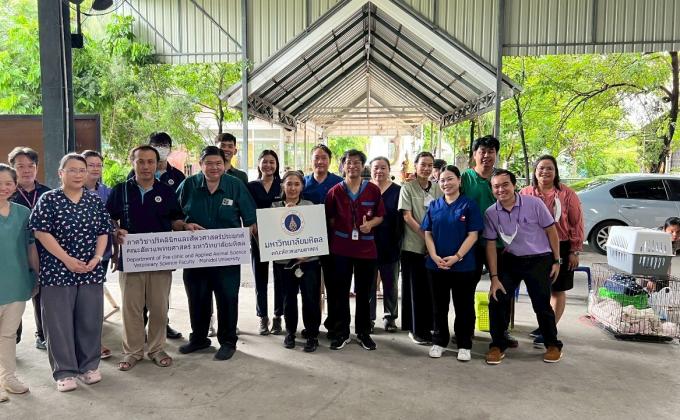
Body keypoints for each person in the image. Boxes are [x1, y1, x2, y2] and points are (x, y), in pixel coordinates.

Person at [29, 154, 113, 391]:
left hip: (90, 270)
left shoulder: (93, 200)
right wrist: (67, 260)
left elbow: (103, 231)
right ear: (61, 173)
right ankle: (64, 371)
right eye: (72, 170)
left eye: (82, 170)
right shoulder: (49, 199)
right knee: (58, 323)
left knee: (90, 319)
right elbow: (41, 232)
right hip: (57, 270)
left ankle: (88, 366)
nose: (78, 174)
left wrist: (97, 258)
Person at [107, 146, 186, 371]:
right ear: (132, 162)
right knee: (131, 308)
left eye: (150, 162)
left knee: (159, 307)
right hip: (131, 259)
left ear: (157, 164)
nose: (145, 166)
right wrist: (115, 231)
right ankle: (132, 351)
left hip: (161, 258)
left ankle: (156, 349)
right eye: (140, 161)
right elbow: (108, 219)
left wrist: (184, 226)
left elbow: (175, 220)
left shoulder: (167, 191)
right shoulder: (121, 190)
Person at [176, 146, 257, 361]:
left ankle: (228, 342)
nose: (214, 167)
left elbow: (250, 219)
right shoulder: (188, 185)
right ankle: (199, 339)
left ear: (225, 164)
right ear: (200, 165)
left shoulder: (235, 185)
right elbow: (172, 215)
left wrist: (250, 240)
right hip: (194, 255)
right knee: (197, 297)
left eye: (218, 163)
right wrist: (184, 225)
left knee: (227, 298)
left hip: (227, 257)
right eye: (209, 163)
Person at [483, 169, 564, 365]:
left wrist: (556, 260)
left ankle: (552, 344)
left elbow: (551, 231)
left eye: (505, 185)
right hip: (511, 261)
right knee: (497, 298)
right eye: (496, 186)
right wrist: (494, 277)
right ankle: (497, 345)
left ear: (514, 185)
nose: (501, 190)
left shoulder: (534, 203)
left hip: (539, 260)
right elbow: (491, 245)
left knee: (541, 303)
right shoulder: (491, 213)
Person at [520, 155, 584, 347]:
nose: (545, 172)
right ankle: (544, 325)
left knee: (558, 289)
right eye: (541, 168)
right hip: (535, 247)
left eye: (550, 168)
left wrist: (574, 250)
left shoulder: (567, 194)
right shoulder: (525, 193)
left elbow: (576, 222)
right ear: (535, 171)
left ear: (556, 172)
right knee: (540, 290)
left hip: (562, 246)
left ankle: (550, 329)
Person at [460, 135, 518, 348]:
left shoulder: (501, 179)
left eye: (491, 151)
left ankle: (501, 332)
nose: (486, 155)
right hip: (471, 244)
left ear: (496, 154)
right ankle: (465, 330)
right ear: (474, 154)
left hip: (500, 244)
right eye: (482, 151)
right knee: (466, 289)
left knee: (501, 288)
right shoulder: (465, 178)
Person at [126, 132, 185, 340]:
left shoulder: (178, 177)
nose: (146, 166)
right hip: (136, 248)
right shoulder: (128, 181)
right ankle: (139, 330)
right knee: (137, 296)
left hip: (162, 247)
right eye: (156, 145)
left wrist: (183, 226)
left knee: (160, 295)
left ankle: (161, 328)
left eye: (164, 145)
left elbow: (178, 213)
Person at [325, 150, 384, 350]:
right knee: (340, 292)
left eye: (357, 162)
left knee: (364, 292)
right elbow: (330, 219)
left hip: (366, 249)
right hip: (341, 249)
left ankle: (363, 332)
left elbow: (380, 216)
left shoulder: (373, 190)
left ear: (362, 166)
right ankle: (342, 332)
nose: (353, 166)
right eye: (349, 162)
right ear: (343, 166)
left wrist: (370, 225)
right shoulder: (334, 191)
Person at [422, 165, 482, 361]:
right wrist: (433, 255)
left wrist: (457, 257)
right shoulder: (434, 205)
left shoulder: (469, 205)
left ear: (459, 181)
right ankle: (439, 341)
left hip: (463, 266)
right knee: (439, 306)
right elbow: (427, 233)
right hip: (436, 265)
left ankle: (464, 344)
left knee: (464, 306)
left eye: (450, 179)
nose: (446, 183)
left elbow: (473, 235)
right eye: (442, 180)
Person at [0, 164, 39, 402]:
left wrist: (37, 274)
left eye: (8, 183)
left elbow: (31, 247)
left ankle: (8, 378)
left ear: (15, 186)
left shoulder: (23, 213)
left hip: (17, 283)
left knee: (7, 335)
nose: (3, 188)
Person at [271, 170, 321, 352]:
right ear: (283, 186)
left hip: (308, 261)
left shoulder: (310, 206)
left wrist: (307, 253)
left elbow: (316, 234)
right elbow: (271, 235)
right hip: (284, 263)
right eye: (289, 184)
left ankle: (312, 335)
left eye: (297, 184)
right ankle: (290, 333)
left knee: (310, 299)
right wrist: (283, 214)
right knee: (288, 299)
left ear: (302, 187)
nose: (292, 188)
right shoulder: (274, 207)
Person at [398, 151, 442, 344]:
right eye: (422, 164)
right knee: (414, 289)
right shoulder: (407, 188)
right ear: (415, 166)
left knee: (430, 289)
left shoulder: (438, 189)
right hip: (413, 246)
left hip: (434, 248)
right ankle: (415, 329)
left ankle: (430, 326)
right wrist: (426, 237)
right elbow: (407, 217)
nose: (426, 168)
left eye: (430, 165)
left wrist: (434, 241)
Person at [8, 147, 50, 349]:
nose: (26, 171)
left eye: (31, 166)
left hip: (44, 252)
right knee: (13, 297)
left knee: (42, 295)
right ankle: (11, 337)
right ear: (12, 169)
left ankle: (42, 335)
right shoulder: (7, 193)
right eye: (20, 166)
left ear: (37, 168)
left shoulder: (48, 194)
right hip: (13, 253)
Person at [302, 144, 343, 338]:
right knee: (311, 287)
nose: (320, 161)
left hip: (333, 241)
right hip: (308, 242)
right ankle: (312, 326)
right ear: (311, 160)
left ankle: (334, 325)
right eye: (316, 158)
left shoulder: (338, 183)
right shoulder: (303, 183)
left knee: (334, 286)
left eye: (324, 157)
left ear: (330, 160)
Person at [81, 150, 115, 360]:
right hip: (75, 255)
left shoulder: (108, 192)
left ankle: (95, 341)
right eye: (89, 165)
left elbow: (114, 222)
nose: (95, 168)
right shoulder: (69, 191)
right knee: (79, 300)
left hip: (101, 254)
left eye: (98, 165)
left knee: (94, 299)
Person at [248, 150, 283, 335]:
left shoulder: (283, 185)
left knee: (280, 278)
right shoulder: (251, 186)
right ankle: (263, 317)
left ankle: (278, 316)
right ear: (259, 164)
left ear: (276, 165)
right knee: (260, 279)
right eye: (265, 161)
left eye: (272, 162)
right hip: (258, 238)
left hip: (280, 239)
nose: (268, 165)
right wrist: (251, 225)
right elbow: (246, 209)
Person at [368, 157, 402, 332]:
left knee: (390, 284)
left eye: (383, 168)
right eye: (376, 168)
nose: (379, 171)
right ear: (370, 170)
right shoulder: (365, 189)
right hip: (367, 245)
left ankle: (390, 317)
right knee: (369, 284)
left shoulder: (398, 191)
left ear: (389, 170)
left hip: (391, 244)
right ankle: (368, 318)